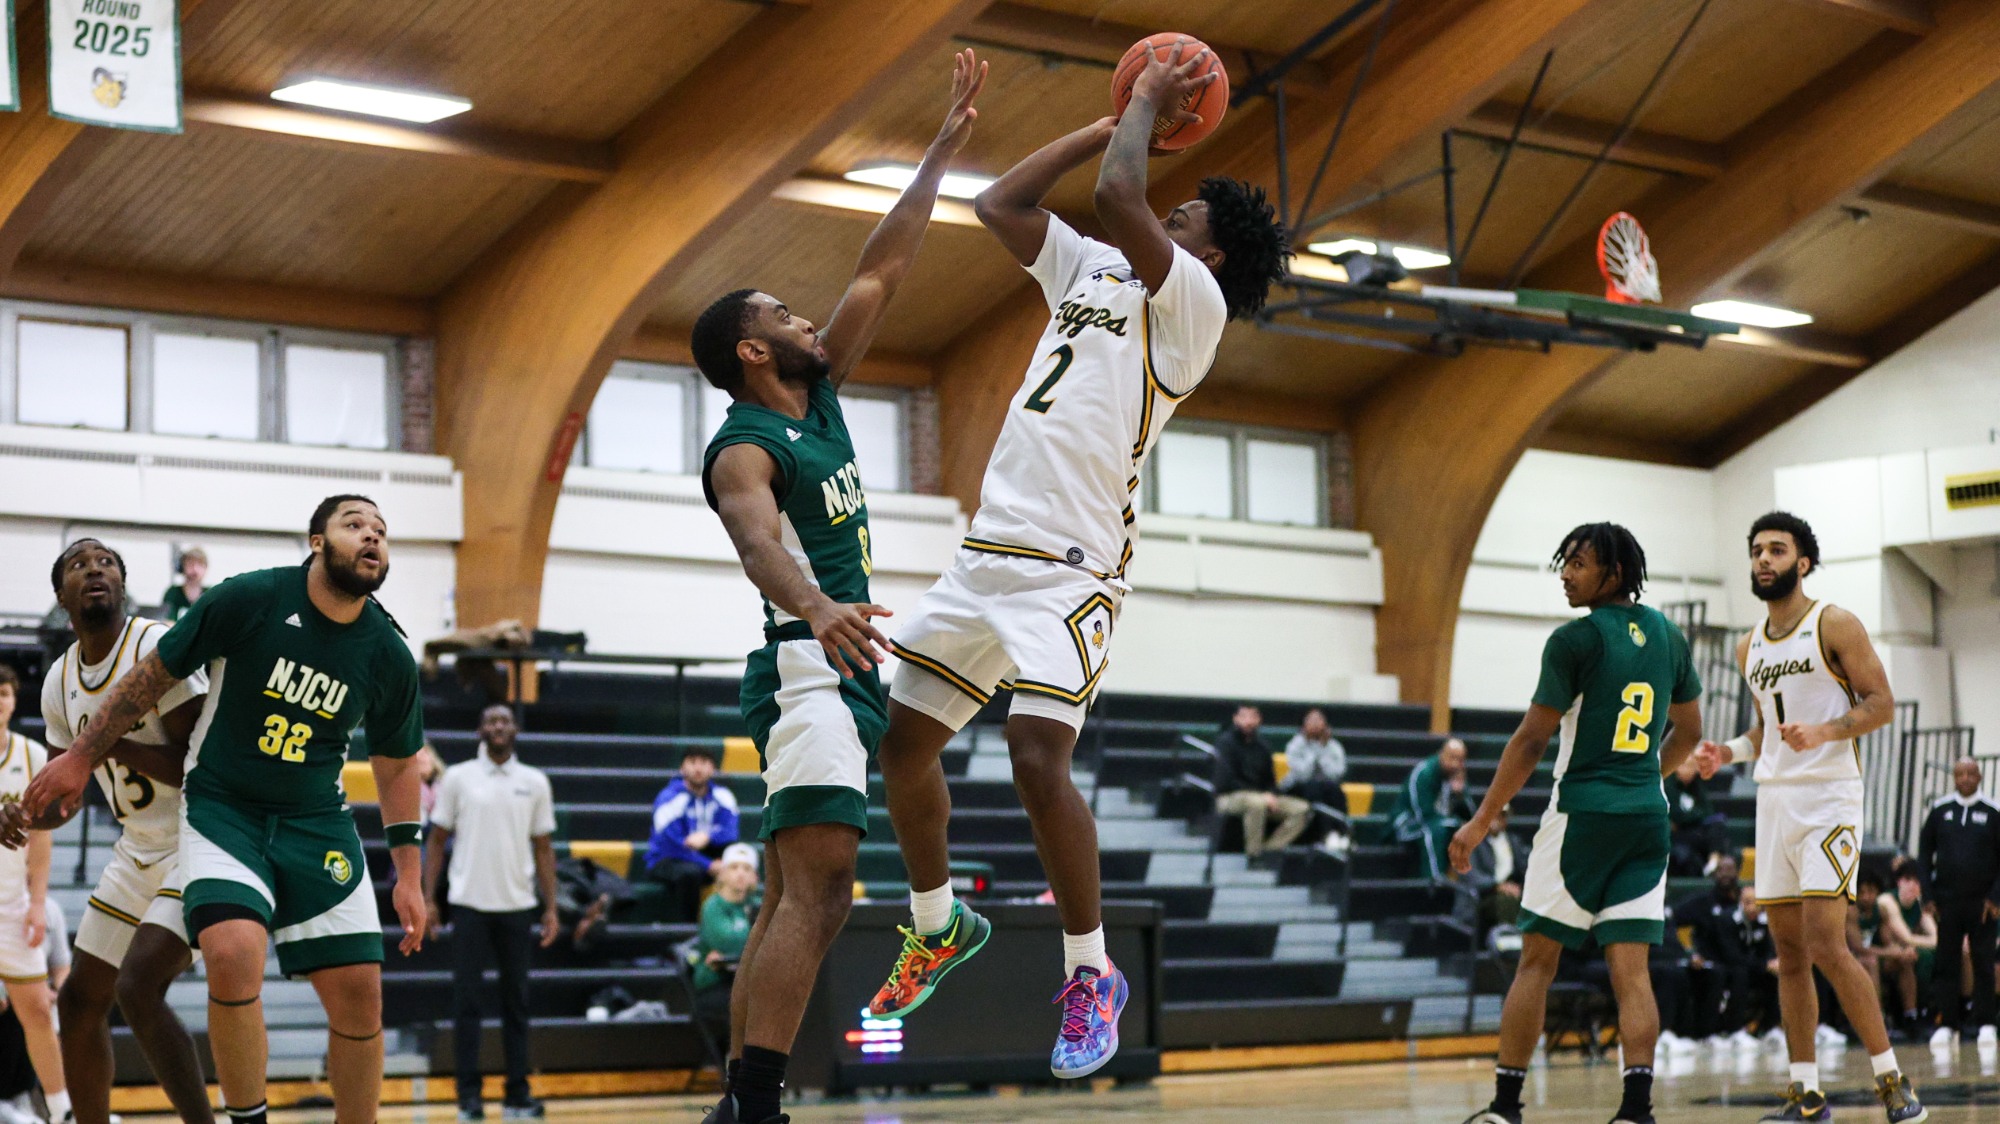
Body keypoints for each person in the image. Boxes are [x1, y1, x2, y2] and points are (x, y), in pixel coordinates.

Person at [865, 40, 1289, 1081]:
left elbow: (1116, 193)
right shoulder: (1095, 266)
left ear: (1213, 250)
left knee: (1032, 757)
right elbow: (1000, 207)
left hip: (1073, 562)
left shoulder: (1192, 302)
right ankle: (937, 923)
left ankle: (1090, 969)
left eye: (1186, 213)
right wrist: (1106, 121)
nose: (1166, 209)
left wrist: (1142, 109)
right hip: (986, 549)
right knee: (900, 748)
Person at [690, 52, 985, 1124]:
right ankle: (756, 1102)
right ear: (752, 347)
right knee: (815, 890)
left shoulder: (819, 404)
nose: (816, 319)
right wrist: (816, 609)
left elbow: (882, 270)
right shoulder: (743, 444)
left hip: (844, 660)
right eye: (789, 314)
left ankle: (740, 1102)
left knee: (789, 892)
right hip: (811, 665)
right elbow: (756, 540)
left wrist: (942, 149)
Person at [22, 494, 429, 1124]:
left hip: (305, 817)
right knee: (196, 963)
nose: (372, 536)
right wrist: (57, 779)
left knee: (357, 996)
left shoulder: (388, 652)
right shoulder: (249, 599)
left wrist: (409, 874)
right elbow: (135, 701)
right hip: (212, 814)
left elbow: (400, 763)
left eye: (381, 530)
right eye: (354, 525)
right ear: (316, 541)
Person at [1451, 522, 1704, 1124]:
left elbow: (1532, 739)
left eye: (1579, 563)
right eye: (1564, 561)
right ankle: (1635, 1111)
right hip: (1647, 819)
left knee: (1537, 961)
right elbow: (1691, 732)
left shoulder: (1575, 639)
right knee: (1632, 972)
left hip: (1581, 818)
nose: (1565, 572)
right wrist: (1645, 779)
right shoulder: (1668, 635)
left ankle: (1506, 1108)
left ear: (1614, 574)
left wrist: (1482, 820)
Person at [1694, 511, 1925, 1124]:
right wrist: (1732, 751)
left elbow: (1882, 704)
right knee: (1789, 954)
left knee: (1828, 943)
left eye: (1777, 550)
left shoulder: (1835, 623)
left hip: (1829, 798)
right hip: (1775, 803)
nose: (1763, 560)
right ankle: (1807, 1095)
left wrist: (1823, 731)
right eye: (1756, 551)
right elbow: (1765, 726)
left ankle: (1891, 1081)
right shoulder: (1749, 645)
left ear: (1803, 562)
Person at [11, 540, 213, 1124]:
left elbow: (199, 764)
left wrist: (102, 740)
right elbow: (62, 797)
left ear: (123, 585)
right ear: (61, 598)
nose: (94, 569)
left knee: (139, 985)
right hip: (138, 847)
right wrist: (24, 815)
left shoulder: (153, 645)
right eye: (79, 564)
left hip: (197, 835)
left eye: (106, 563)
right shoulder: (58, 680)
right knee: (77, 1002)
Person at [425, 704, 558, 1121]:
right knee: (467, 1003)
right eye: (491, 720)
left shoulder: (535, 781)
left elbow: (544, 849)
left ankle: (517, 1093)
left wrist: (551, 907)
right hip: (468, 907)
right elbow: (435, 842)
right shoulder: (458, 778)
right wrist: (430, 899)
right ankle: (469, 1096)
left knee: (516, 1003)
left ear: (514, 729)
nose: (498, 726)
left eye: (505, 720)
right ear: (481, 728)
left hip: (518, 907)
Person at [0, 666, 71, 1124]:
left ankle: (63, 1111)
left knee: (38, 1012)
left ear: (14, 699)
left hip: (11, 906)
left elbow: (41, 838)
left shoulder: (29, 754)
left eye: (3, 693)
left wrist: (40, 902)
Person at [1916, 757, 2000, 1047]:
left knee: (1984, 963)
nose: (1965, 778)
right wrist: (1927, 895)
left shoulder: (1993, 812)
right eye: (1959, 773)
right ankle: (1947, 1024)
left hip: (1983, 906)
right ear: (1953, 777)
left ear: (1979, 777)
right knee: (1946, 963)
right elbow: (1924, 854)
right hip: (1947, 903)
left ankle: (1986, 1022)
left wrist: (1995, 898)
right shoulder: (1940, 811)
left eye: (1970, 773)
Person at [643, 747, 740, 924]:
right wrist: (709, 864)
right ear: (682, 768)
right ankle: (688, 930)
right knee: (690, 873)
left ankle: (737, 926)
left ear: (713, 769)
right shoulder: (669, 798)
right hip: (666, 861)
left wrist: (708, 836)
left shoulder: (723, 796)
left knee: (740, 864)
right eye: (692, 762)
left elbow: (730, 832)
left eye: (703, 763)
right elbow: (671, 846)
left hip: (703, 857)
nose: (698, 768)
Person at [1210, 706, 1309, 860]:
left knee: (1301, 809)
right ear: (1235, 719)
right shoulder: (1225, 743)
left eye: (1253, 717)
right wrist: (1263, 796)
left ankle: (1271, 849)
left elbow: (1270, 780)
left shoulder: (1263, 746)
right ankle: (1253, 855)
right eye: (1244, 717)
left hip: (1260, 796)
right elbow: (1227, 781)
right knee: (1256, 803)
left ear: (1259, 720)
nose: (1248, 721)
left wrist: (1272, 794)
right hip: (1228, 797)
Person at [1670, 855, 1748, 1047]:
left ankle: (1739, 1031)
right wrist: (1687, 953)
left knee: (1743, 974)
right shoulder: (1702, 902)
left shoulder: (1745, 901)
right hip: (1709, 963)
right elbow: (1671, 919)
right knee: (1717, 975)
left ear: (1738, 873)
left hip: (1740, 960)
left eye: (1730, 869)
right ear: (1714, 874)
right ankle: (1708, 1033)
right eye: (1721, 869)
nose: (1726, 874)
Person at [690, 844, 762, 1044]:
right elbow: (727, 942)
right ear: (722, 873)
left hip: (748, 982)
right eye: (734, 867)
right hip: (715, 985)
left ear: (754, 877)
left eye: (746, 869)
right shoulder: (712, 906)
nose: (740, 874)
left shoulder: (757, 905)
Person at [1388, 738, 1472, 882]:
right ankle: (1434, 881)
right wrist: (1454, 822)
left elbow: (1471, 816)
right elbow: (1423, 816)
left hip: (1440, 823)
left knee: (1468, 831)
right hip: (1407, 824)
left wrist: (1459, 796)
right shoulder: (1424, 773)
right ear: (1441, 754)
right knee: (1433, 831)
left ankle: (1468, 880)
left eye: (1460, 760)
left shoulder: (1457, 777)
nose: (1455, 764)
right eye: (1452, 758)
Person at [1874, 867, 1936, 1038]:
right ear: (1898, 882)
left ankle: (1920, 1014)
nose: (1913, 886)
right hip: (1880, 953)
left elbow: (1936, 937)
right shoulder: (1887, 901)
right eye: (1908, 880)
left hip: (1902, 954)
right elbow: (1906, 938)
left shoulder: (1920, 903)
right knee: (1912, 957)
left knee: (1925, 957)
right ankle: (1897, 1017)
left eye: (1917, 882)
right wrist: (1926, 943)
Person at [1455, 804, 1530, 942]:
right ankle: (1510, 945)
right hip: (1481, 897)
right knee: (1506, 899)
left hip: (1512, 891)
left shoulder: (1513, 841)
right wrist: (1497, 886)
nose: (1497, 819)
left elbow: (1526, 869)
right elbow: (1470, 874)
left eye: (1501, 815)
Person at [1664, 756, 1729, 877]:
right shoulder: (1669, 785)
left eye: (1693, 766)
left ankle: (1714, 861)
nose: (1690, 769)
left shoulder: (1697, 785)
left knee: (1717, 824)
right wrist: (1696, 816)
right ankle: (1713, 864)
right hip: (1677, 835)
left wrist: (1692, 817)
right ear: (1677, 767)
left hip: (1693, 830)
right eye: (1686, 765)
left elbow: (1708, 811)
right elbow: (1676, 815)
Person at [1282, 707, 1349, 813]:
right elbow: (1303, 775)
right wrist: (1317, 749)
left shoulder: (1335, 746)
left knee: (1335, 791)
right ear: (1303, 724)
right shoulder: (1295, 745)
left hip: (1326, 786)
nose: (1315, 724)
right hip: (1298, 787)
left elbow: (1336, 774)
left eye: (1318, 720)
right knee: (1312, 788)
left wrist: (1322, 748)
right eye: (1311, 720)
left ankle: (1338, 827)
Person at [160, 547, 207, 622]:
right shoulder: (173, 593)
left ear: (205, 568)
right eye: (190, 564)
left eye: (199, 565)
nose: (195, 569)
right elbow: (168, 621)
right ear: (182, 568)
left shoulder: (210, 593)